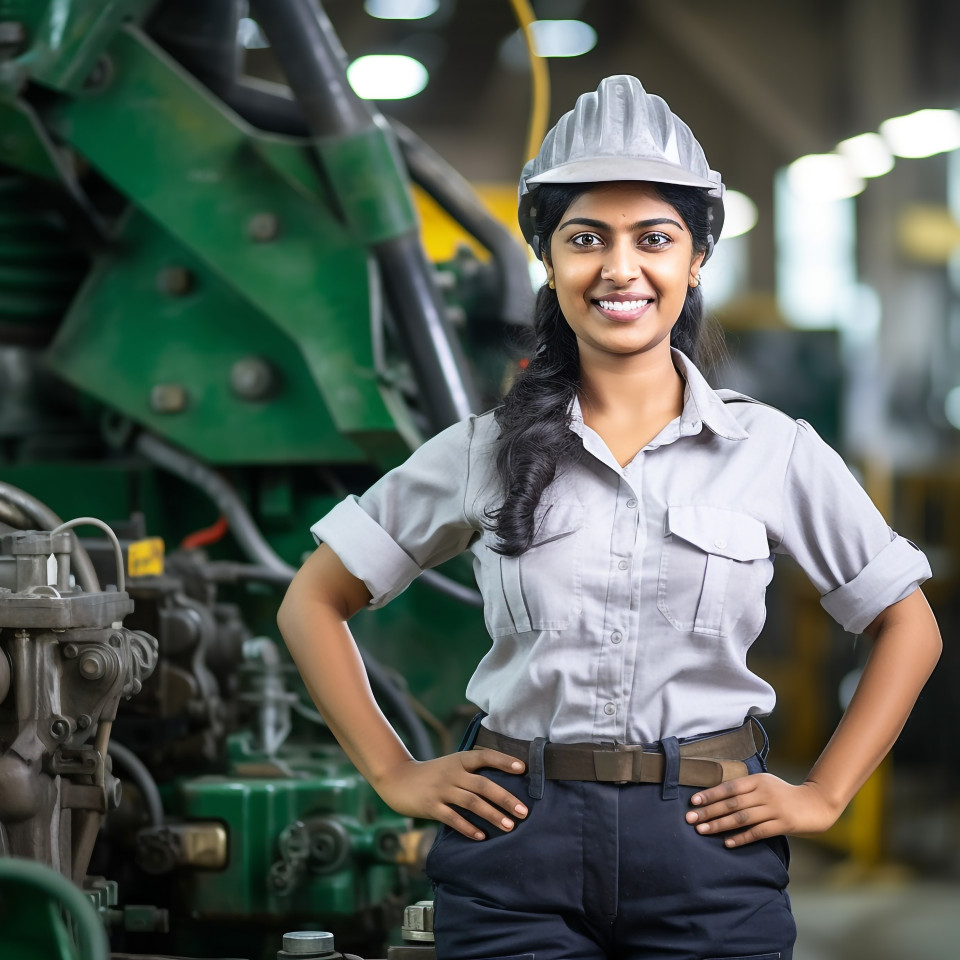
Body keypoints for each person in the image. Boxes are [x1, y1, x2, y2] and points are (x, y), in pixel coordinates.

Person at [278, 76, 941, 960]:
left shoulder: (772, 450)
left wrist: (822, 795)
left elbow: (908, 623)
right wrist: (394, 771)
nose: (619, 269)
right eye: (586, 238)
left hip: (709, 845)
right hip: (516, 842)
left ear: (695, 258)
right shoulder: (482, 449)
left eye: (653, 239)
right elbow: (310, 601)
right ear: (549, 260)